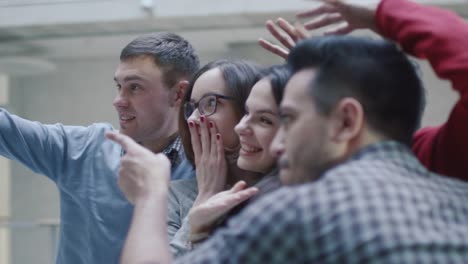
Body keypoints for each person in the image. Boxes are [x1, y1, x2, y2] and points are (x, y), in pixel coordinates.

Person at [107, 1, 468, 263]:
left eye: (285, 119)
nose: (280, 142)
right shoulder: (452, 194)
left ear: (346, 121)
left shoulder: (296, 209)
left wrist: (151, 195)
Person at [0, 32, 199, 263]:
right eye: (119, 86)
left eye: (134, 87)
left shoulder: (207, 166)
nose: (118, 100)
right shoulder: (82, 149)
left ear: (179, 94)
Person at [259, 0, 468, 181]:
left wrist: (382, 13)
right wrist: (312, 76)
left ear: (349, 118)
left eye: (289, 118)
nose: (277, 145)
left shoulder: (431, 158)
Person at [168, 65, 289, 257]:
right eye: (191, 107)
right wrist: (205, 198)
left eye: (210, 103)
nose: (193, 118)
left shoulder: (292, 190)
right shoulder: (175, 194)